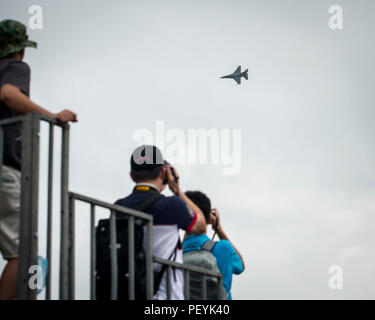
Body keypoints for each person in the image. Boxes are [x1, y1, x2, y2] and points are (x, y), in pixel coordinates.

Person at [0, 19, 77, 300]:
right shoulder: (17, 67)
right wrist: (52, 115)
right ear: (20, 49)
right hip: (6, 168)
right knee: (22, 254)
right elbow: (8, 94)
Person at [115, 145, 206, 300]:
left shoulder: (118, 206)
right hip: (165, 295)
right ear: (164, 172)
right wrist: (177, 190)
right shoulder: (172, 205)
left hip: (127, 292)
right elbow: (201, 226)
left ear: (132, 176)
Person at [183, 191, 245, 300]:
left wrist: (188, 224)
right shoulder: (222, 248)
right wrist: (218, 229)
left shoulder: (175, 252)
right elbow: (240, 266)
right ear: (208, 218)